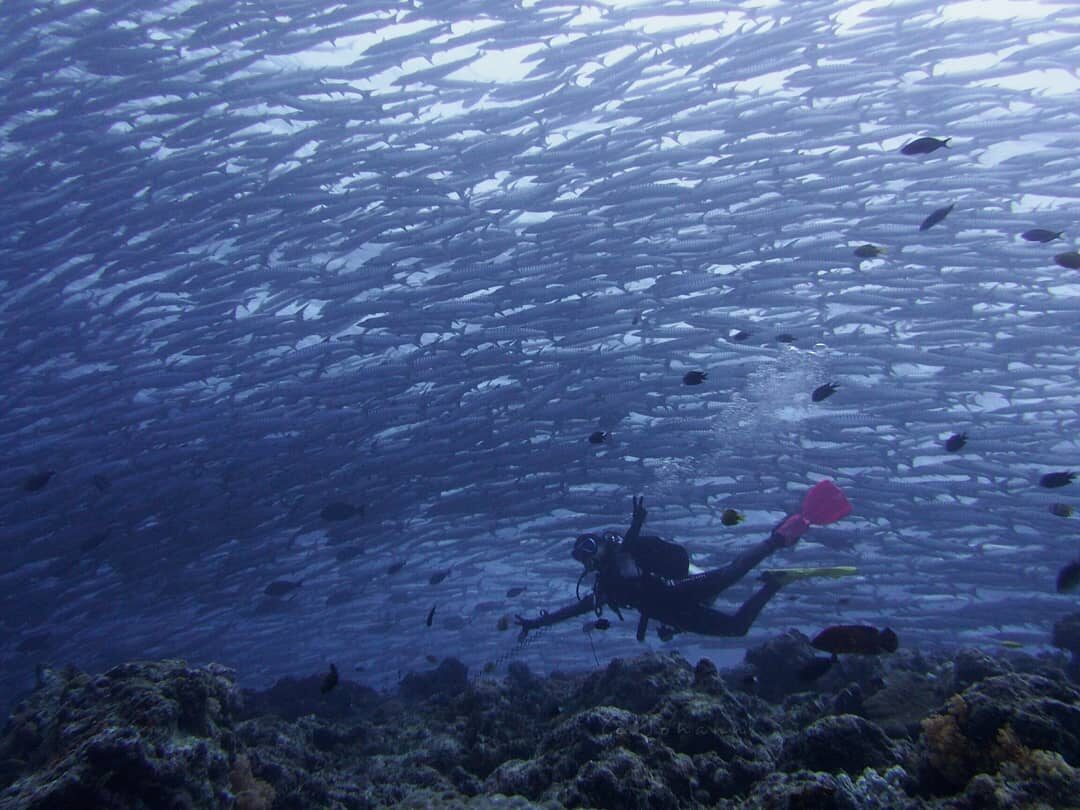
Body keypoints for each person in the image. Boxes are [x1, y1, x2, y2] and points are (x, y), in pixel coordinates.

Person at [515, 481, 853, 642]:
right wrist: (536, 623)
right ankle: (774, 584)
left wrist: (635, 524)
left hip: (678, 591)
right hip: (671, 613)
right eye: (581, 556)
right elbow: (575, 609)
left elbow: (627, 546)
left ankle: (779, 538)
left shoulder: (622, 554)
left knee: (730, 575)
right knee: (737, 628)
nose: (588, 558)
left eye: (590, 547)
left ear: (602, 544)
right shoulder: (605, 586)